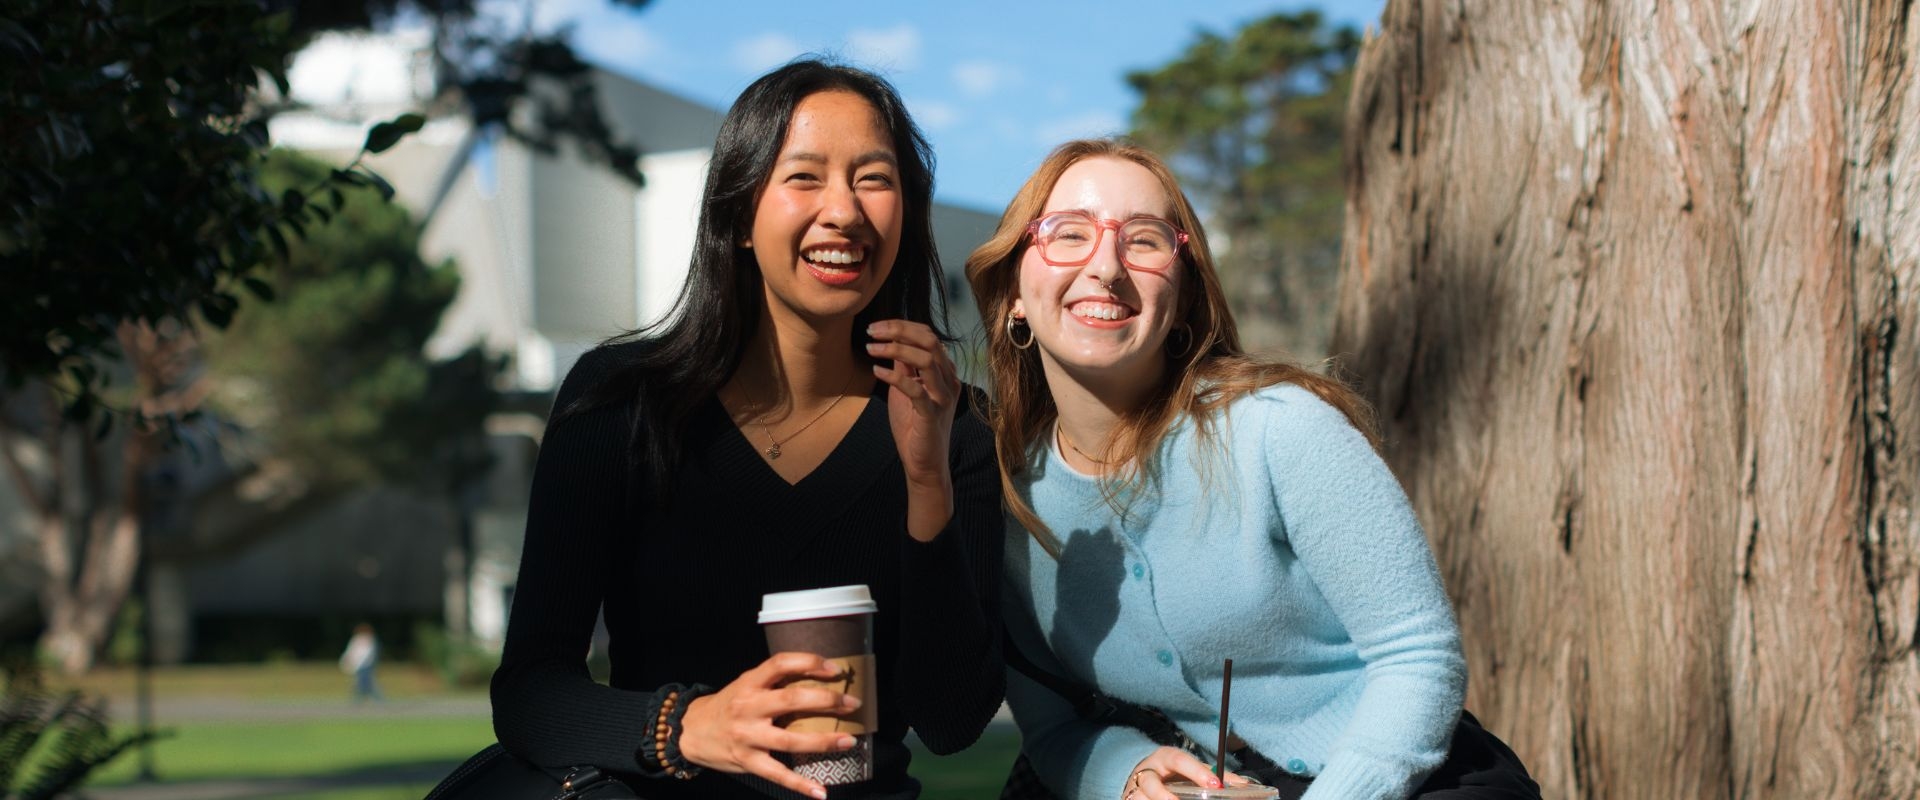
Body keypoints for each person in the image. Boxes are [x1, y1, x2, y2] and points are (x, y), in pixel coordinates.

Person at [490, 59, 1004, 800]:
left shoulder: (958, 428)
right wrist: (685, 726)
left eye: (874, 178)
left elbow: (952, 720)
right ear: (737, 218)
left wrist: (926, 483)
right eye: (805, 177)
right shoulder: (620, 404)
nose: (845, 212)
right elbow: (530, 693)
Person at [965, 140, 1537, 800]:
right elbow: (1053, 728)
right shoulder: (1012, 500)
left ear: (1181, 300)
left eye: (1144, 241)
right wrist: (1124, 769)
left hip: (1395, 776)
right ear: (1013, 291)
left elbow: (1420, 658)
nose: (1106, 267)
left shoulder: (1279, 429)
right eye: (1069, 234)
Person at [340, 623, 382, 703]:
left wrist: (367, 663)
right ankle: (376, 700)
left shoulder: (370, 640)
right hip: (359, 665)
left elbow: (370, 654)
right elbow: (352, 651)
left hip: (366, 665)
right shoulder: (356, 640)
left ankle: (359, 700)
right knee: (365, 683)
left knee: (365, 683)